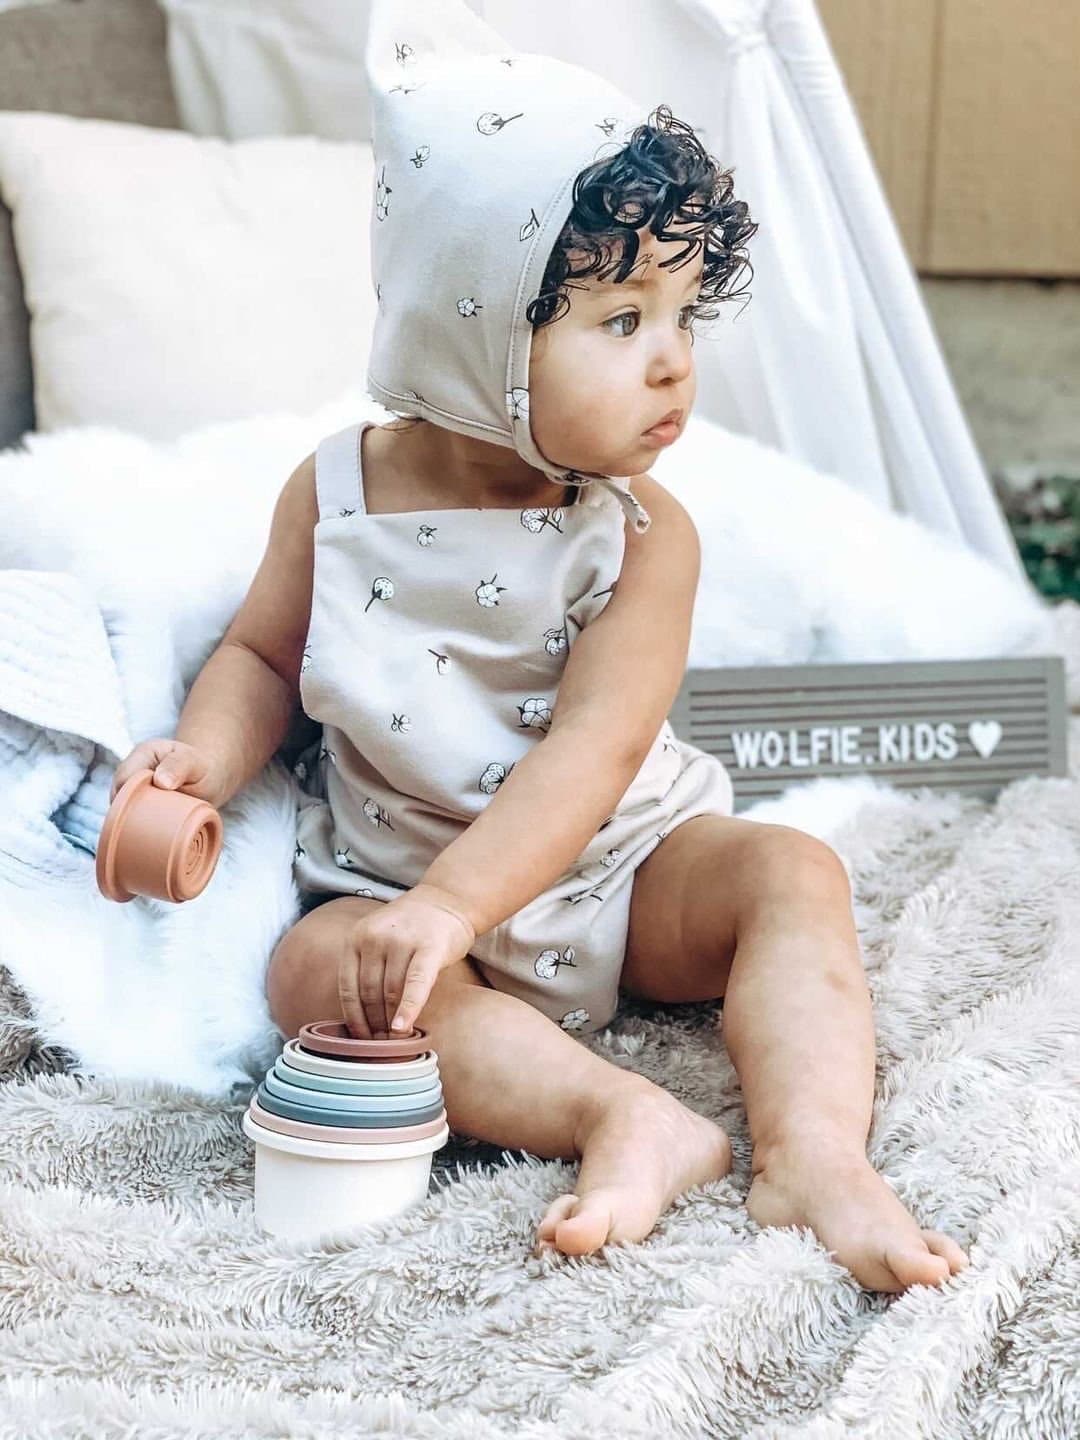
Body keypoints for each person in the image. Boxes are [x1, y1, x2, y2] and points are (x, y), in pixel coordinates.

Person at [109, 0, 969, 1292]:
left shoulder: (640, 537)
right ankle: (621, 1114)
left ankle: (814, 1154)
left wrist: (465, 902)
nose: (674, 366)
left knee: (791, 872)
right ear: (476, 334)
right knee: (308, 972)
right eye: (624, 322)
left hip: (624, 870)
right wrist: (201, 759)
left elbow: (594, 751)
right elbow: (265, 660)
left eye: (683, 317)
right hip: (402, 897)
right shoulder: (334, 497)